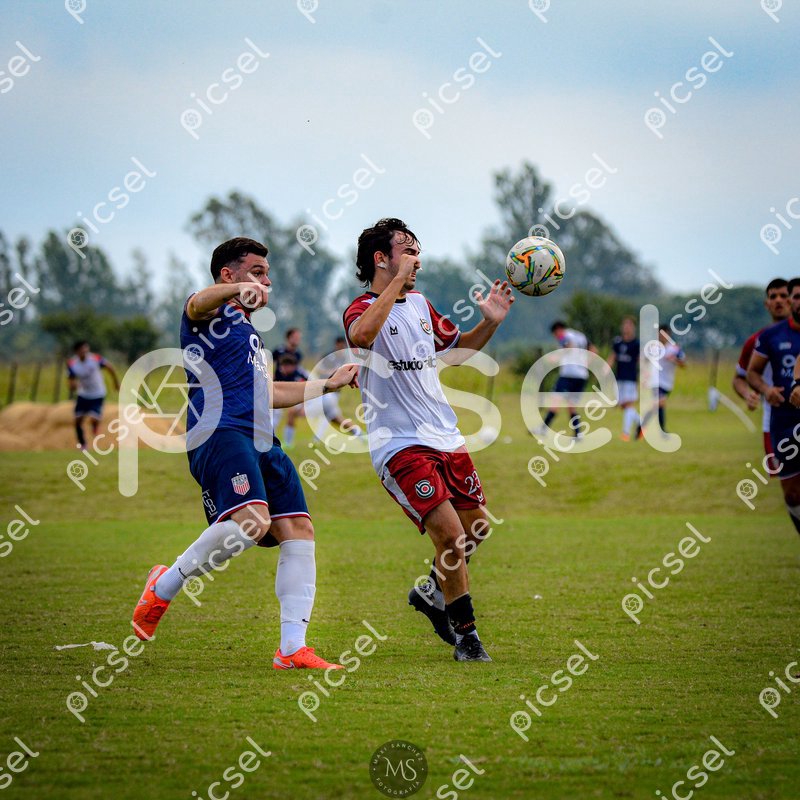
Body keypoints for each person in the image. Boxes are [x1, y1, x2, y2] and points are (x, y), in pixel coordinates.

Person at [132, 237, 358, 670]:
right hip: (220, 432)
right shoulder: (207, 315)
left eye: (267, 274)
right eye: (257, 272)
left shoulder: (249, 332)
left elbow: (267, 393)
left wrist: (328, 385)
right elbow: (196, 302)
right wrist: (238, 290)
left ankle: (291, 649)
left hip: (261, 438)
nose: (266, 281)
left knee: (298, 529)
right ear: (227, 275)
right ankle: (164, 585)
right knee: (253, 523)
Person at [343, 218, 513, 662]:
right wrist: (395, 284)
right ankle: (468, 639)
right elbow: (362, 336)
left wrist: (490, 323)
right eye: (408, 251)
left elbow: (457, 352)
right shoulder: (360, 308)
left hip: (446, 437)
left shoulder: (421, 304)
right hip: (399, 444)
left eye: (418, 251)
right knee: (451, 539)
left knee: (477, 529)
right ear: (381, 259)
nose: (417, 260)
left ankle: (431, 593)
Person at [752, 277, 800, 535]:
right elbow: (748, 374)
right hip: (782, 421)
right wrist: (765, 390)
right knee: (792, 494)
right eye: (797, 297)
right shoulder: (768, 336)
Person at [733, 278, 788, 471]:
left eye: (784, 295)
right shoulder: (757, 340)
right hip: (774, 421)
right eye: (773, 296)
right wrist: (748, 394)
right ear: (767, 304)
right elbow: (739, 378)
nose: (778, 300)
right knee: (786, 483)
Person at [305, 336, 363, 441]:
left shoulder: (345, 359)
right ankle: (358, 432)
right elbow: (319, 369)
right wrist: (331, 372)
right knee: (334, 417)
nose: (341, 348)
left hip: (334, 393)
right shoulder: (329, 357)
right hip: (325, 389)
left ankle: (317, 438)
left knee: (327, 413)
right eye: (339, 345)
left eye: (343, 346)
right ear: (336, 345)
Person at [539, 321, 590, 439]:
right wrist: (585, 364)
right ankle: (578, 434)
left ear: (558, 330)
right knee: (571, 406)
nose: (556, 337)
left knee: (555, 401)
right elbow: (593, 350)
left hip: (568, 374)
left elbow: (569, 346)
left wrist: (556, 357)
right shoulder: (580, 336)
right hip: (581, 375)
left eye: (555, 334)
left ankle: (543, 428)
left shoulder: (565, 335)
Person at [66, 340, 119, 451]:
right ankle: (83, 445)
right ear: (77, 351)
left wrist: (116, 382)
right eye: (82, 349)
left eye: (86, 348)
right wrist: (73, 386)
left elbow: (110, 367)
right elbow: (71, 380)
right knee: (77, 420)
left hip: (97, 393)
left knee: (93, 418)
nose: (85, 351)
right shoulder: (72, 363)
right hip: (83, 394)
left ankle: (95, 426)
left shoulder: (95, 359)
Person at [638, 326, 685, 436]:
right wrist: (644, 375)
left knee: (657, 406)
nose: (662, 337)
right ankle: (661, 431)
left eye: (665, 335)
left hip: (667, 383)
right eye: (660, 334)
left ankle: (642, 425)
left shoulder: (674, 349)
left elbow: (683, 364)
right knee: (660, 403)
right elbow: (643, 360)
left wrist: (674, 360)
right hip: (655, 382)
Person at [607, 316, 640, 441]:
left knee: (628, 404)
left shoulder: (636, 344)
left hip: (630, 378)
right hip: (619, 377)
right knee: (622, 405)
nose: (626, 327)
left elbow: (640, 361)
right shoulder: (617, 342)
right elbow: (612, 357)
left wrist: (645, 375)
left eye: (629, 325)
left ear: (633, 328)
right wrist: (605, 370)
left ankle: (625, 433)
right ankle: (641, 423)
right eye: (624, 325)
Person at [271, 352, 308, 449]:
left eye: (284, 366)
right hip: (288, 396)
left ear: (292, 366)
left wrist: (304, 407)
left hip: (309, 398)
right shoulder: (280, 372)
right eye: (281, 366)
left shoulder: (299, 375)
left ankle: (288, 442)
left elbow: (306, 391)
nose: (282, 369)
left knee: (291, 412)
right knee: (275, 412)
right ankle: (271, 438)